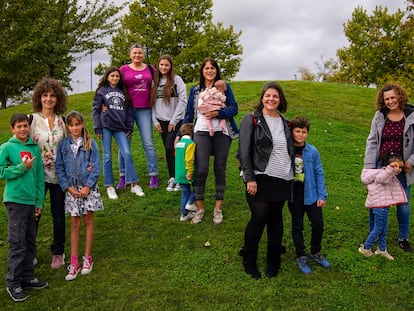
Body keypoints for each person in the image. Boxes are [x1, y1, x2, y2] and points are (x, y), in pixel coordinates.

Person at [238, 81, 294, 279]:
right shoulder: (251, 119)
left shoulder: (286, 122)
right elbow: (243, 151)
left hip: (283, 176)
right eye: (268, 95)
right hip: (259, 176)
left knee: (276, 219)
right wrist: (250, 177)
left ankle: (273, 261)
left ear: (280, 100)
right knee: (259, 217)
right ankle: (249, 258)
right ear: (262, 98)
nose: (271, 99)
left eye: (275, 96)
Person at [181, 58, 239, 225]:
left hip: (222, 132)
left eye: (212, 68)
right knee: (201, 169)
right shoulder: (195, 90)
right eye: (206, 68)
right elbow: (189, 113)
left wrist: (218, 114)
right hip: (201, 131)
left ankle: (217, 209)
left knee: (220, 169)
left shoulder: (224, 88)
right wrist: (181, 132)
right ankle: (199, 209)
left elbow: (234, 108)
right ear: (202, 70)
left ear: (216, 70)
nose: (209, 71)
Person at [0, 113, 48, 302]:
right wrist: (21, 168)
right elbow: (1, 171)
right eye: (18, 126)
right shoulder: (6, 148)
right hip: (15, 201)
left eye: (25, 126)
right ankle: (13, 283)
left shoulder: (34, 148)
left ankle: (28, 277)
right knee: (17, 243)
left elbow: (39, 178)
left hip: (31, 202)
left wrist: (39, 202)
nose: (22, 129)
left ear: (29, 128)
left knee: (30, 240)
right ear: (12, 129)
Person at [364, 83, 414, 252]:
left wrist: (410, 162)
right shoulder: (379, 116)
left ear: (400, 96)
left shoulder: (411, 115)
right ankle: (375, 232)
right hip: (381, 167)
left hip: (403, 167)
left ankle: (403, 238)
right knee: (377, 202)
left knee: (403, 204)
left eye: (393, 97)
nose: (390, 101)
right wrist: (370, 168)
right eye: (387, 99)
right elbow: (372, 141)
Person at [55, 111, 103, 281]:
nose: (75, 128)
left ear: (82, 124)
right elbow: (59, 167)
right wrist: (67, 187)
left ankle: (87, 258)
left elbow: (96, 166)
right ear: (67, 127)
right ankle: (74, 261)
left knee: (88, 221)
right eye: (71, 125)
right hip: (72, 191)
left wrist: (88, 186)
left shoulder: (91, 144)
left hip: (88, 190)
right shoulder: (63, 145)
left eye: (77, 124)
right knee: (74, 223)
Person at [29, 77, 67, 269]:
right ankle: (29, 252)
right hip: (37, 176)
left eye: (52, 96)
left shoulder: (63, 121)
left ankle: (58, 251)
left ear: (57, 98)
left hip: (59, 176)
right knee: (34, 214)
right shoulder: (31, 120)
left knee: (58, 214)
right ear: (39, 98)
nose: (49, 99)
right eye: (45, 95)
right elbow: (21, 145)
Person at [92, 66, 145, 199]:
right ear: (107, 77)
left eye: (117, 76)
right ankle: (109, 186)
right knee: (107, 156)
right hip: (106, 126)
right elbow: (96, 110)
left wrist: (129, 128)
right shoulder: (102, 91)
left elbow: (129, 112)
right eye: (112, 76)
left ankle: (134, 184)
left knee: (127, 153)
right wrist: (97, 127)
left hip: (121, 127)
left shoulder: (124, 91)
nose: (115, 78)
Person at [287, 117, 330, 274]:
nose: (301, 134)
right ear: (292, 132)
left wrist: (322, 195)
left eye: (304, 132)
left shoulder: (312, 151)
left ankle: (315, 252)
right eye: (297, 131)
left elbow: (319, 173)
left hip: (311, 195)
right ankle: (301, 255)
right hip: (294, 196)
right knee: (297, 225)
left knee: (318, 224)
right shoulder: (287, 149)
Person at [119, 43, 159, 189]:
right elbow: (112, 84)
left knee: (148, 143)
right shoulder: (123, 70)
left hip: (145, 109)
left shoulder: (150, 69)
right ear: (130, 54)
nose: (137, 55)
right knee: (124, 144)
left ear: (144, 54)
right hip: (126, 110)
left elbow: (161, 82)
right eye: (135, 53)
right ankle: (123, 176)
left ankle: (153, 175)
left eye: (140, 53)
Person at [359, 152, 407, 261]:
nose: (398, 169)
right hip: (380, 207)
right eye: (395, 166)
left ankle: (382, 249)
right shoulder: (385, 173)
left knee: (384, 229)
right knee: (379, 228)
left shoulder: (388, 174)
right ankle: (366, 248)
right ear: (388, 165)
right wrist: (389, 170)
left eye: (400, 167)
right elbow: (381, 179)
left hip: (382, 205)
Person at [150, 55, 187, 192]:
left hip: (175, 121)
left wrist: (174, 120)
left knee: (173, 148)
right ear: (158, 66)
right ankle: (173, 177)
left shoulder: (177, 80)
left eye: (166, 65)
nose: (164, 67)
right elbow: (152, 103)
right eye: (161, 65)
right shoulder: (155, 81)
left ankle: (179, 177)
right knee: (168, 149)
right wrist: (154, 120)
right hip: (161, 121)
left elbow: (183, 100)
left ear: (170, 66)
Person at [175, 123, 197, 221]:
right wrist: (190, 172)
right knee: (198, 187)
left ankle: (184, 214)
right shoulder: (190, 144)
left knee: (185, 192)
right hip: (186, 172)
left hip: (178, 173)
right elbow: (189, 159)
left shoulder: (178, 144)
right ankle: (190, 203)